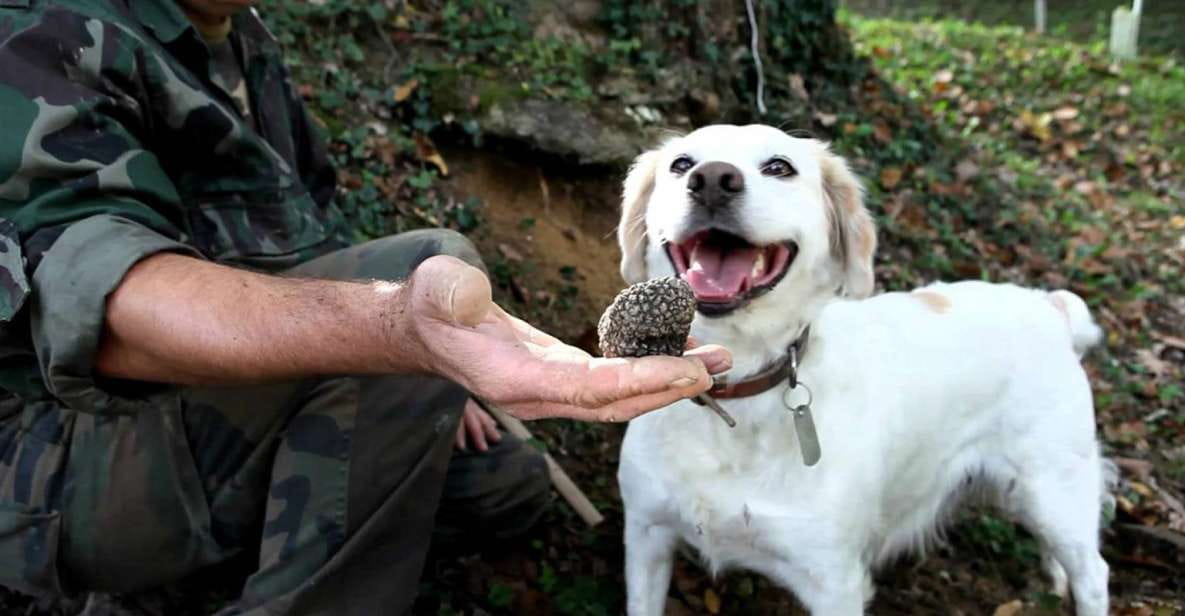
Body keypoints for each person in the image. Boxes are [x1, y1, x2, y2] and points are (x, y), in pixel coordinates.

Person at [0, 1, 730, 614]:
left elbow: (305, 239)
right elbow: (106, 301)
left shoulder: (242, 40)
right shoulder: (42, 31)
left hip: (227, 411)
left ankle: (207, 577)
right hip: (65, 463)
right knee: (419, 270)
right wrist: (393, 330)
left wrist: (426, 371)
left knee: (507, 488)